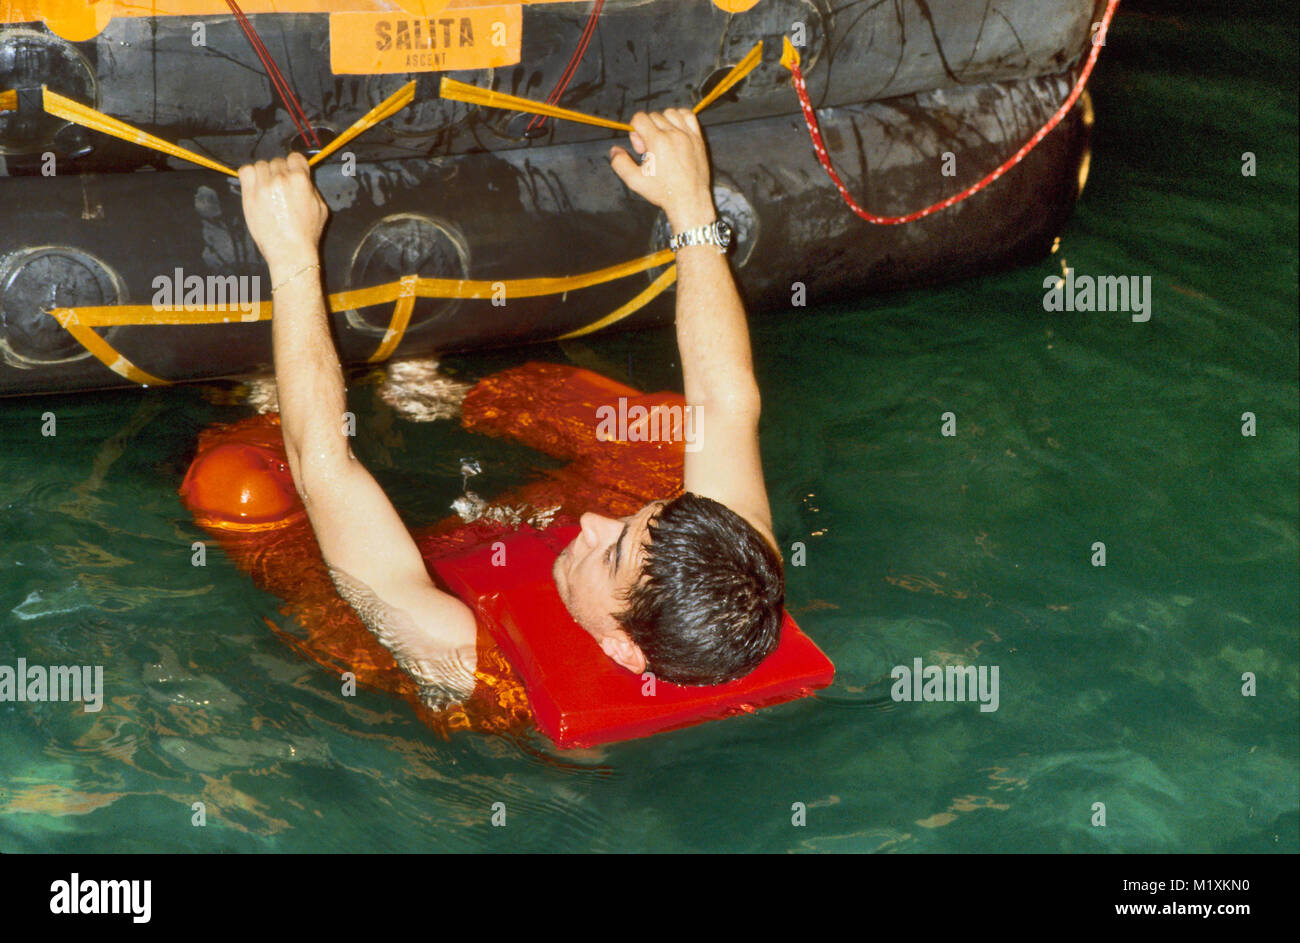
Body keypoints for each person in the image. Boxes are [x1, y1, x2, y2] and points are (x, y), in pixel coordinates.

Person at [236, 108, 783, 704]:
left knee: (237, 486)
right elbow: (723, 397)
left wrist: (290, 254)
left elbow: (324, 470)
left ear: (623, 651)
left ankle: (255, 407)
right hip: (521, 534)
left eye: (615, 551)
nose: (598, 524)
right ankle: (446, 395)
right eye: (630, 521)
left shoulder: (467, 659)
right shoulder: (738, 571)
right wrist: (691, 207)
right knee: (668, 427)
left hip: (409, 584)